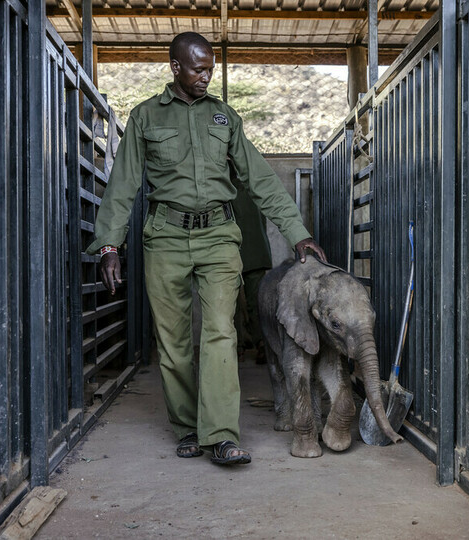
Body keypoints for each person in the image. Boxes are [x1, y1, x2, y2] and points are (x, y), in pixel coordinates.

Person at [87, 32, 326, 466]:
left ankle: (220, 435)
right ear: (175, 67)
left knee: (220, 331)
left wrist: (297, 231)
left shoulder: (225, 118)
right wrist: (108, 244)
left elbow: (260, 179)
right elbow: (123, 185)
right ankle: (186, 427)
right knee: (174, 340)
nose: (206, 77)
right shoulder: (145, 118)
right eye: (198, 69)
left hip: (218, 236)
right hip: (165, 237)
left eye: (211, 69)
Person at [229, 162, 272, 364]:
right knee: (257, 302)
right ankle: (263, 344)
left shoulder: (223, 191)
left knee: (231, 303)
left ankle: (236, 347)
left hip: (231, 252)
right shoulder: (253, 188)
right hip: (256, 251)